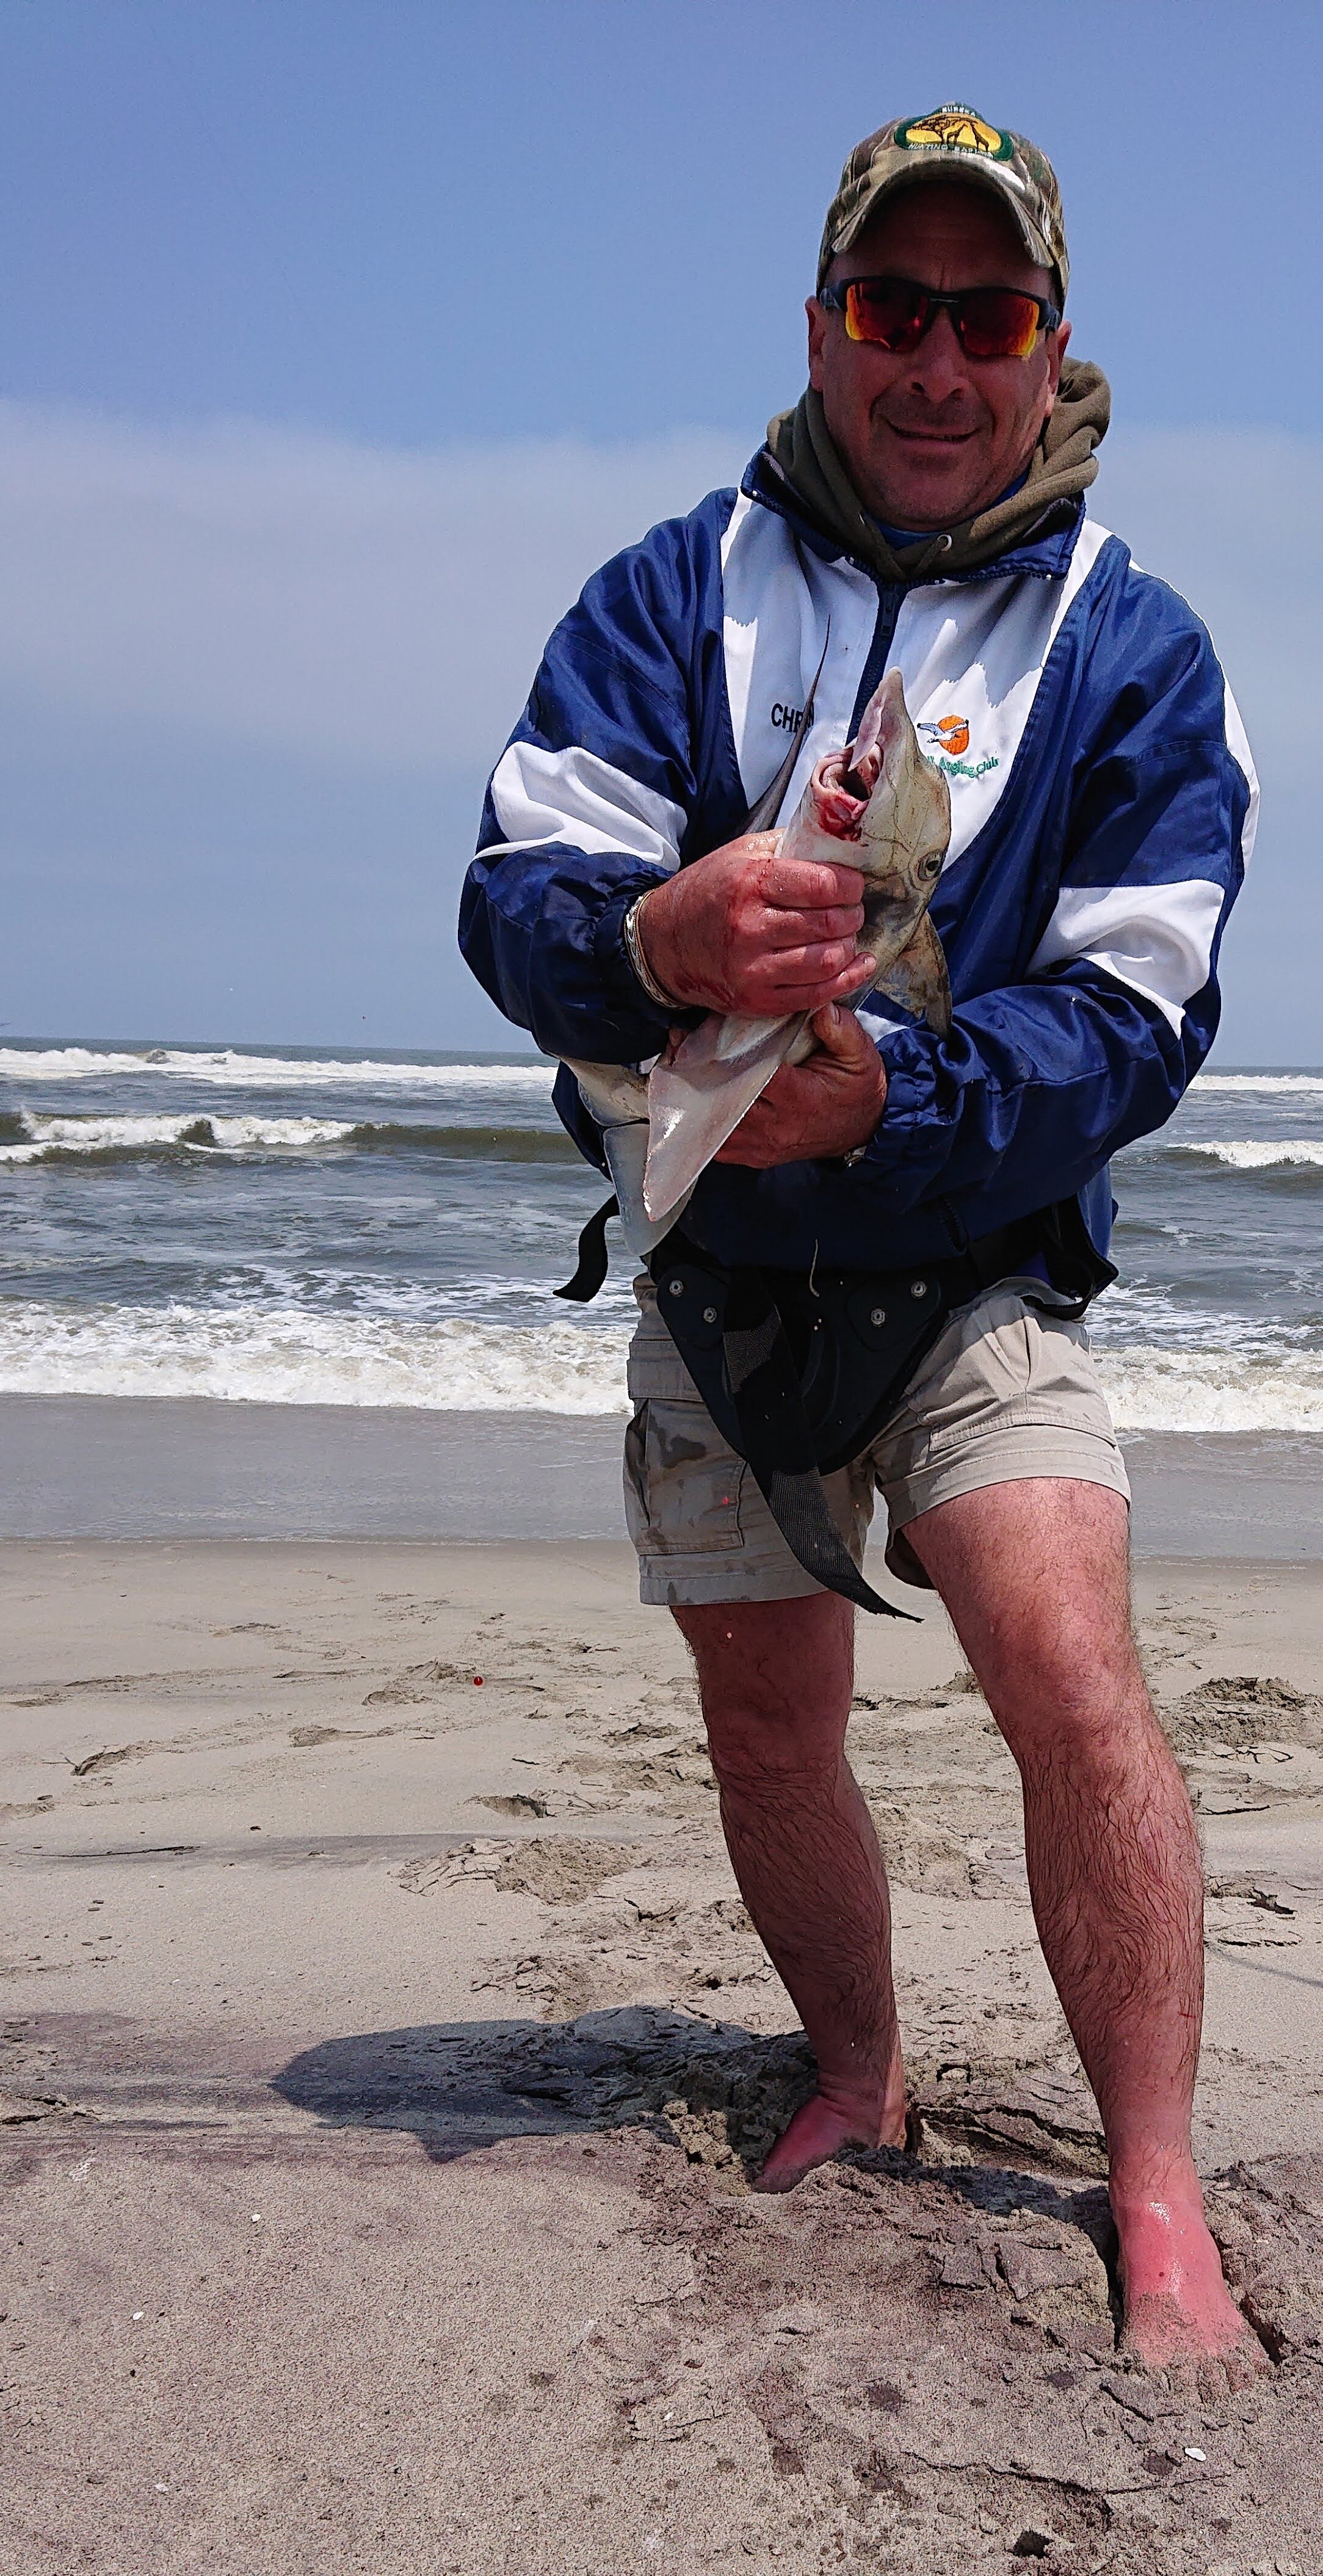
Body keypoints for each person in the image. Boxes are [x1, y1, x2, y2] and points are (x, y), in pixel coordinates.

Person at [460, 104, 1261, 2378]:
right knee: (768, 1730)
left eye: (980, 317)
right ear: (821, 328)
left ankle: (1160, 2186)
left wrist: (896, 1090)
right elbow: (512, 900)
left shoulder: (1141, 655)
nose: (933, 362)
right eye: (889, 312)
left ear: (1050, 346)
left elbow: (1138, 1015)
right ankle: (856, 2069)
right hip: (709, 1263)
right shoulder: (661, 592)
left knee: (1073, 1684)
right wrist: (657, 936)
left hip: (970, 1268)